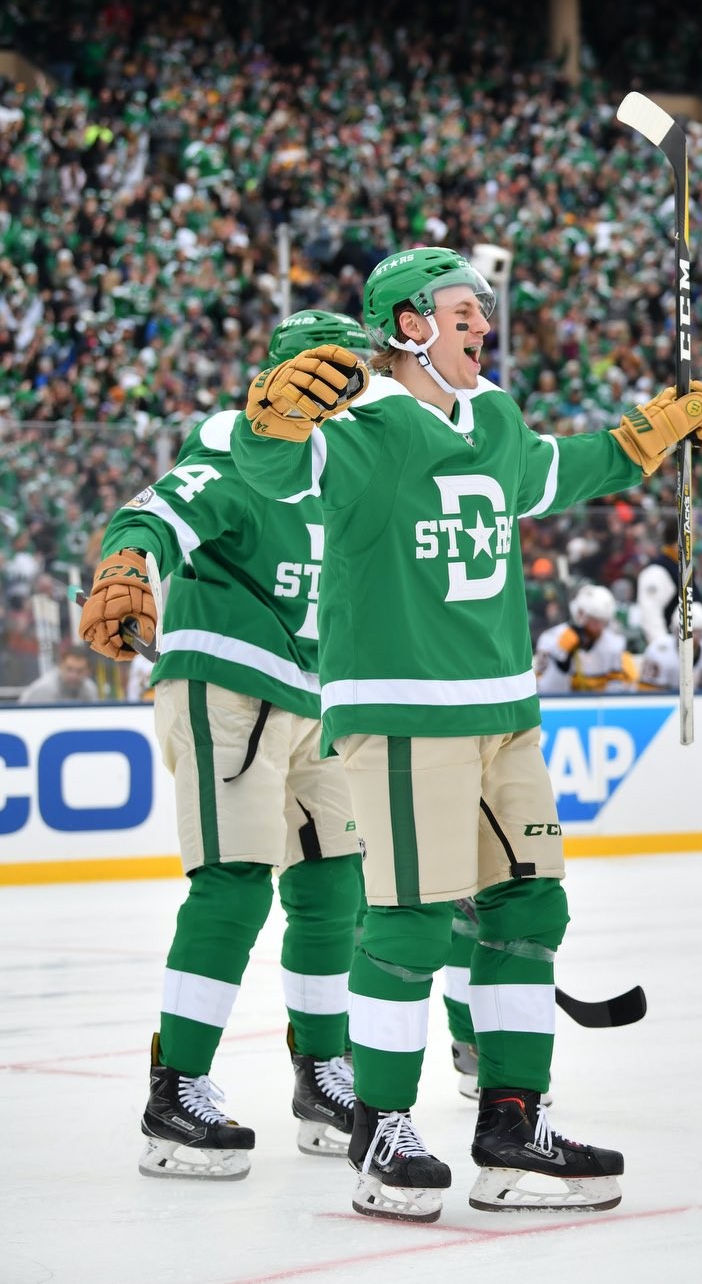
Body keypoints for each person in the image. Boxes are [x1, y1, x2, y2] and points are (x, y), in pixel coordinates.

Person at [228, 246, 702, 1222]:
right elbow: (276, 468)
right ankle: (381, 1130)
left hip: (506, 715)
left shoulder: (492, 416)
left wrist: (643, 440)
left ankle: (512, 1126)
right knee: (409, 919)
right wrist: (268, 418)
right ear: (410, 324)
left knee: (530, 910)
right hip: (404, 713)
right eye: (463, 312)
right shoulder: (358, 425)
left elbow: (554, 470)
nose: (483, 327)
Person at [79, 309, 374, 1182]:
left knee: (334, 884)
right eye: (327, 369)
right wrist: (126, 566)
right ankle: (176, 1091)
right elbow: (156, 511)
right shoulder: (236, 443)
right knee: (235, 882)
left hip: (318, 696)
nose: (343, 385)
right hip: (227, 681)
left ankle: (323, 1076)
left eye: (352, 370)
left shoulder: (358, 465)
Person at [534, 585, 637, 694]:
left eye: (603, 621)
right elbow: (543, 691)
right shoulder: (550, 639)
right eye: (594, 620)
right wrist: (560, 661)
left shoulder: (615, 644)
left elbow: (618, 691)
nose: (599, 627)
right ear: (580, 615)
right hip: (563, 703)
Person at [638, 601, 702, 690]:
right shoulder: (658, 650)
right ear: (675, 630)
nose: (689, 637)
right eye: (683, 631)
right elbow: (647, 691)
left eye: (695, 631)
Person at [17, 644, 99, 703]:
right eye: (69, 669)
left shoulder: (90, 689)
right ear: (60, 666)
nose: (73, 675)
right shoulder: (45, 689)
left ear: (88, 671)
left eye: (79, 671)